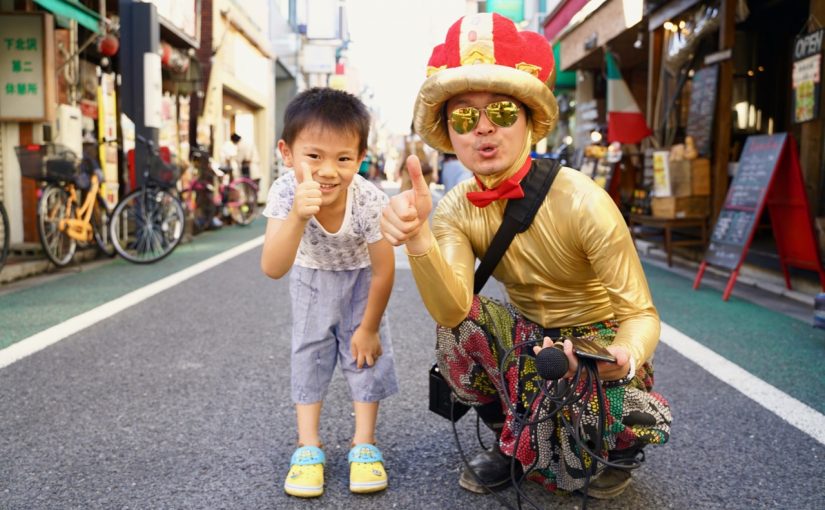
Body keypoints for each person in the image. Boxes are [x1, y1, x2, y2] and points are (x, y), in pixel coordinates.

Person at [381, 13, 671, 500]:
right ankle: (510, 443)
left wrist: (624, 354)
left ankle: (614, 446)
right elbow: (452, 309)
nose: (484, 129)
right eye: (465, 117)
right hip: (530, 341)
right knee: (461, 328)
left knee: (611, 412)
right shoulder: (454, 208)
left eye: (502, 111)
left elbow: (640, 314)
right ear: (449, 131)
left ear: (531, 119)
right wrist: (418, 241)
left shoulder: (583, 200)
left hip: (596, 346)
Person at [261, 87, 398, 498]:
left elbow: (385, 269)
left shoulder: (369, 199)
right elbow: (272, 267)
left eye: (343, 159)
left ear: (359, 159)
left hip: (361, 280)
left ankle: (364, 443)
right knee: (309, 353)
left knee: (365, 357)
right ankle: (308, 447)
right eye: (313, 156)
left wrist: (369, 326)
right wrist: (298, 217)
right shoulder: (286, 192)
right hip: (308, 276)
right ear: (288, 153)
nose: (328, 170)